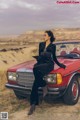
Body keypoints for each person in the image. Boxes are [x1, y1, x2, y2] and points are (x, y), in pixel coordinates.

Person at [28, 30, 66, 115]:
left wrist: (60, 65)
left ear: (49, 36)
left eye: (45, 35)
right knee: (35, 81)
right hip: (41, 63)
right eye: (43, 35)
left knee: (35, 71)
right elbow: (40, 56)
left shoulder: (53, 46)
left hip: (49, 64)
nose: (43, 36)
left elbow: (54, 58)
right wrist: (37, 59)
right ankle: (33, 104)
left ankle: (42, 87)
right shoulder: (41, 44)